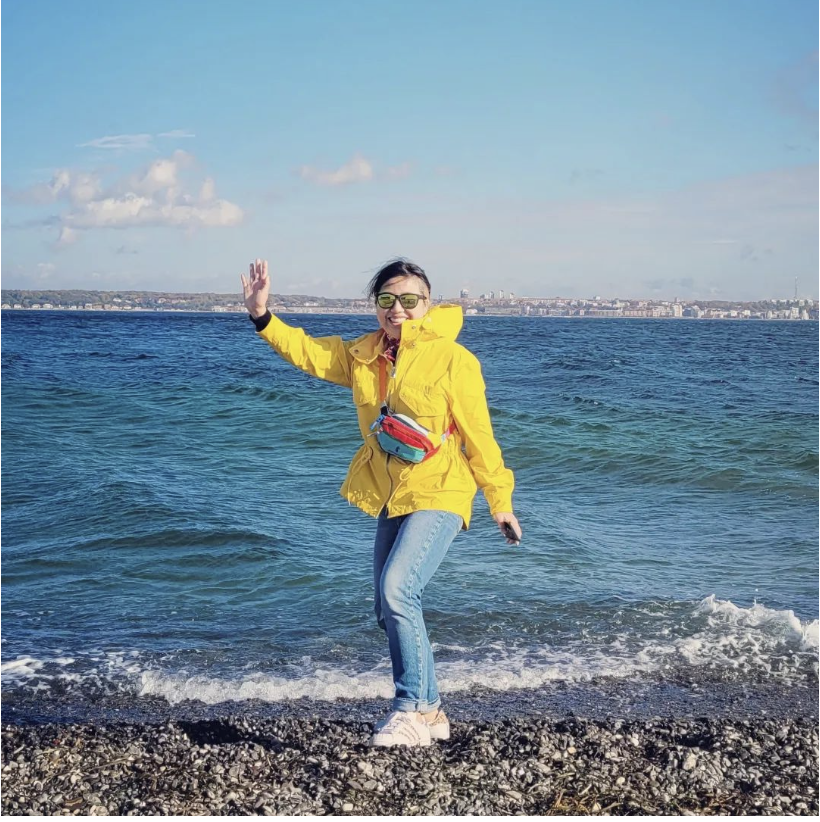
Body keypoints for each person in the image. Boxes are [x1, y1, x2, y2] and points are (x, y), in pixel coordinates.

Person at [241, 257, 521, 747]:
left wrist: (500, 501)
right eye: (388, 300)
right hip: (393, 493)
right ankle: (432, 711)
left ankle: (408, 709)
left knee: (397, 590)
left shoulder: (454, 360)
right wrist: (263, 316)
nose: (398, 309)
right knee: (386, 605)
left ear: (426, 304)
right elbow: (308, 353)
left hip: (442, 488)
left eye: (409, 300)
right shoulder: (364, 355)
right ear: (377, 307)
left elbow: (481, 437)